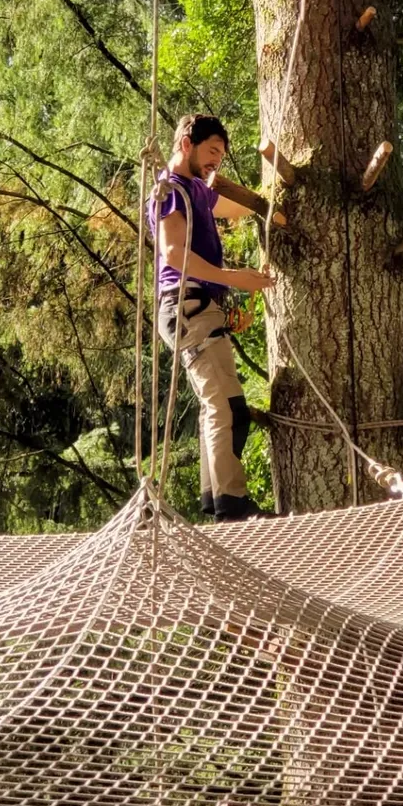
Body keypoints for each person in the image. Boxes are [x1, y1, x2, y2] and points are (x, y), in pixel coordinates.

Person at [148, 113, 274, 521]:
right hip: (186, 304)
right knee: (220, 404)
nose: (216, 162)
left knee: (228, 407)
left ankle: (218, 498)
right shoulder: (172, 189)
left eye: (221, 155)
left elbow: (237, 209)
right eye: (211, 151)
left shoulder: (198, 190)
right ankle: (230, 504)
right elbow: (173, 253)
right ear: (187, 142)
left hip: (202, 305)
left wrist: (269, 196)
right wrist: (230, 278)